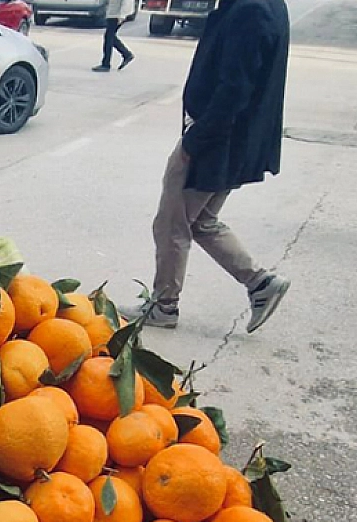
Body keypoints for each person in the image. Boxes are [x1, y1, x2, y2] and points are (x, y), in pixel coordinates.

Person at [128, 0, 292, 333]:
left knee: (172, 223)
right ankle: (261, 284)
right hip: (228, 140)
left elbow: (236, 89)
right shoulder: (265, 5)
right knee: (200, 221)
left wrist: (195, 142)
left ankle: (164, 306)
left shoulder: (252, 9)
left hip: (216, 141)